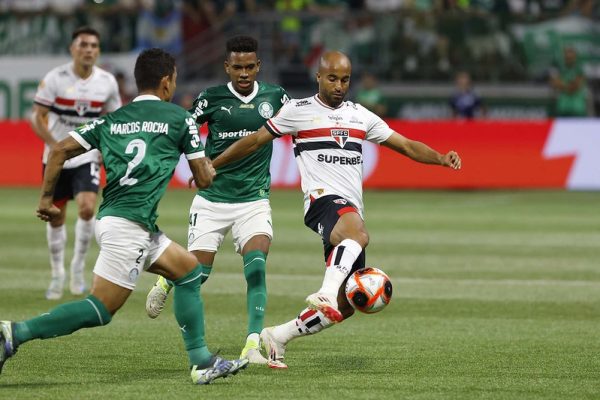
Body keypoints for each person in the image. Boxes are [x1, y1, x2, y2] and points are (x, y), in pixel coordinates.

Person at [0, 48, 248, 384]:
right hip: (128, 227)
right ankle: (14, 332)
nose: (174, 84)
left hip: (124, 220)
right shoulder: (181, 119)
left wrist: (46, 198)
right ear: (166, 81)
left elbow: (58, 150)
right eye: (174, 78)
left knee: (188, 270)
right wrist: (210, 170)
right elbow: (202, 179)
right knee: (102, 309)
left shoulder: (112, 119)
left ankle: (202, 362)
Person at [211, 51, 462, 369]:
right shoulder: (297, 110)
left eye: (345, 79)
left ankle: (278, 336)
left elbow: (407, 145)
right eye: (332, 78)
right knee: (358, 234)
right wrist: (213, 163)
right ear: (318, 77)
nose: (339, 85)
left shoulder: (360, 116)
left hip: (349, 211)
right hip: (321, 202)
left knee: (345, 306)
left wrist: (440, 158)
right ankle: (325, 291)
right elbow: (255, 140)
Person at [145, 35, 289, 365]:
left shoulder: (275, 97)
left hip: (253, 200)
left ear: (258, 66)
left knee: (256, 268)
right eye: (237, 67)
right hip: (211, 200)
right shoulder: (210, 98)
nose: (243, 73)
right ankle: (168, 279)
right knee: (199, 275)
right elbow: (184, 129)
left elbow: (296, 123)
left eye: (249, 67)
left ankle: (252, 343)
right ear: (227, 66)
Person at [30, 26, 122, 300]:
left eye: (94, 45)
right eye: (83, 45)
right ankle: (57, 273)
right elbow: (38, 116)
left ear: (98, 51)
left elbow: (115, 120)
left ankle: (78, 269)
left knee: (86, 208)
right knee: (55, 217)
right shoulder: (55, 78)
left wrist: (106, 149)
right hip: (57, 159)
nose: (89, 50)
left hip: (86, 157)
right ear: (73, 49)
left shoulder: (106, 82)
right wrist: (53, 144)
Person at [549, 47, 588, 117]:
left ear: (575, 57)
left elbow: (576, 86)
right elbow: (554, 83)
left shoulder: (579, 68)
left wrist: (562, 84)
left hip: (577, 107)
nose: (569, 58)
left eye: (571, 57)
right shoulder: (560, 68)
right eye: (567, 57)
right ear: (564, 57)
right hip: (562, 107)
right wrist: (569, 84)